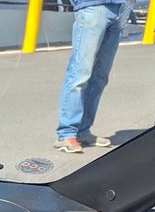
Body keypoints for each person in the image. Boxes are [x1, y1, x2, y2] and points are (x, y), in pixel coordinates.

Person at [54, 0, 131, 153]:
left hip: (121, 8)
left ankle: (83, 131)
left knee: (101, 75)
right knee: (80, 72)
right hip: (94, 6)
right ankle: (66, 133)